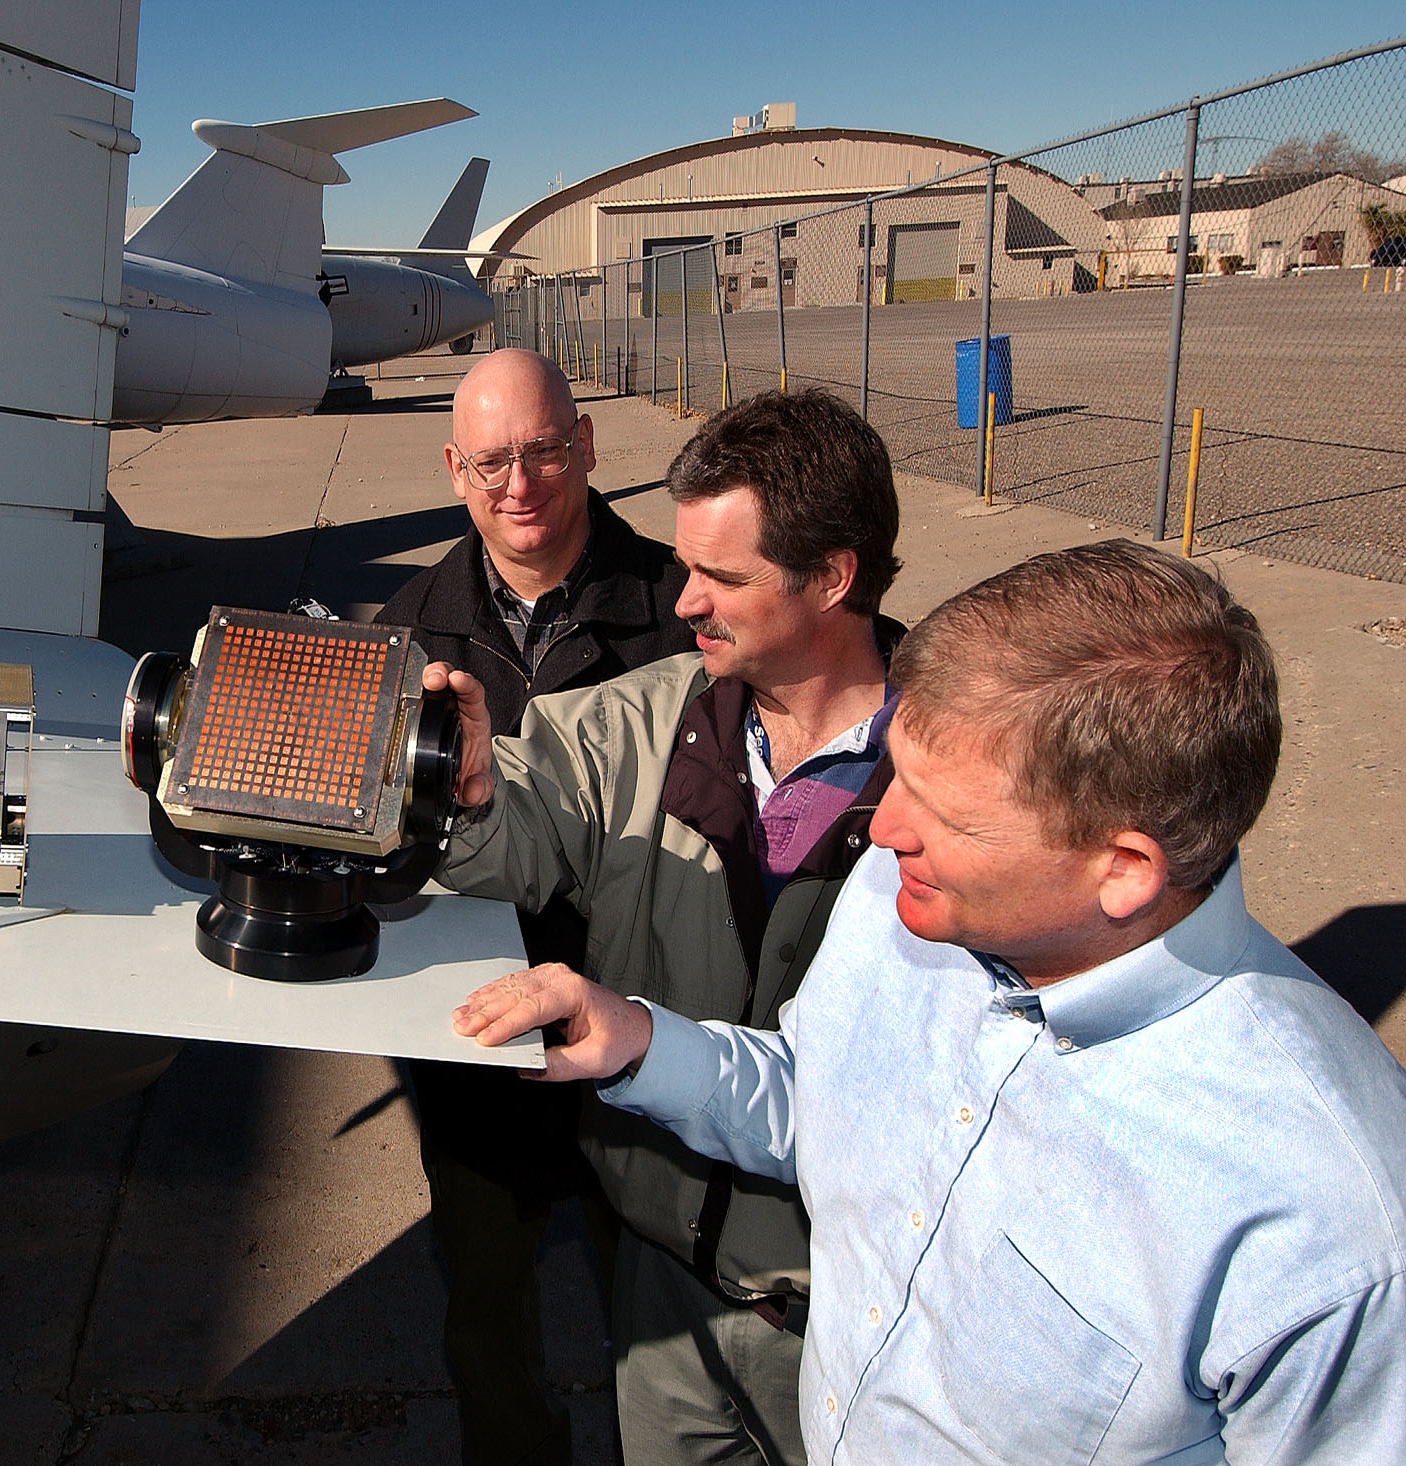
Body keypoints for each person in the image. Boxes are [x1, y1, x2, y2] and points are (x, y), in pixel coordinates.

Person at [454, 540, 1406, 1463]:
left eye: (943, 811)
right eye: (898, 769)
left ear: (1123, 870)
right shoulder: (904, 893)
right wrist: (641, 1043)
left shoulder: (1327, 1222)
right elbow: (819, 1093)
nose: (885, 822)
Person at [426, 388, 905, 1466]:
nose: (683, 599)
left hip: (861, 1313)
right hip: (660, 1288)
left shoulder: (962, 782)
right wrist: (463, 793)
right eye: (686, 566)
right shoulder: (639, 718)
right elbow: (522, 822)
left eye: (722, 578)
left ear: (832, 575)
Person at [377, 347, 693, 1466]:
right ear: (455, 468)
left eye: (546, 450)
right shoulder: (404, 631)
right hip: (477, 1043)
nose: (523, 483)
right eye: (494, 460)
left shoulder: (679, 615)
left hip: (641, 1031)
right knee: (487, 1322)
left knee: (670, 1327)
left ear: (588, 446)